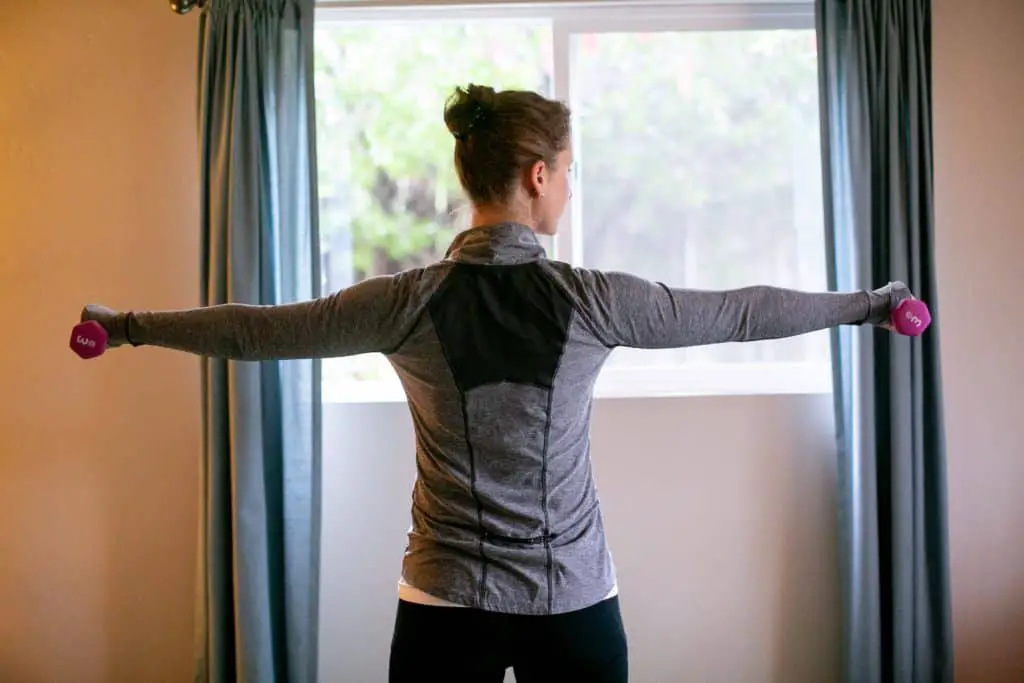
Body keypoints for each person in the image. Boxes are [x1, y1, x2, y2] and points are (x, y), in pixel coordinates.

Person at [80, 84, 914, 682]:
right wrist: (868, 306)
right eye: (569, 168)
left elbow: (260, 329)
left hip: (445, 603)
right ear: (539, 176)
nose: (570, 184)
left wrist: (127, 326)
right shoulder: (593, 299)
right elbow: (739, 312)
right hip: (573, 603)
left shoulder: (405, 303)